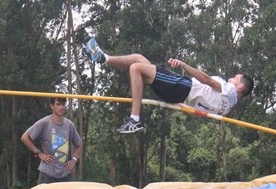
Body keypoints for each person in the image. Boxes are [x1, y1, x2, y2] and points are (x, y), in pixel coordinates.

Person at [83, 37, 254, 134]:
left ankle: (134, 119)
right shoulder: (226, 109)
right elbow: (196, 111)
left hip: (183, 87)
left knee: (136, 68)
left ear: (239, 87)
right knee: (138, 59)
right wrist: (175, 102)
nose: (231, 78)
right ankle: (104, 58)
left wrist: (184, 65)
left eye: (235, 78)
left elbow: (207, 81)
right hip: (179, 93)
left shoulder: (230, 90)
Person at [21, 97, 82, 184]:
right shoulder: (44, 122)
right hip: (47, 173)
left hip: (65, 173)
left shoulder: (69, 125)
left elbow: (79, 144)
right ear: (52, 106)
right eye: (58, 104)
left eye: (63, 104)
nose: (61, 107)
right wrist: (39, 153)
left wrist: (74, 160)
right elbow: (25, 137)